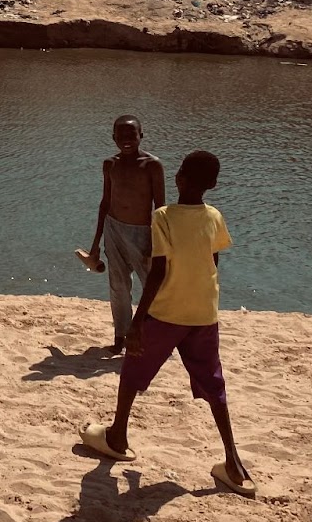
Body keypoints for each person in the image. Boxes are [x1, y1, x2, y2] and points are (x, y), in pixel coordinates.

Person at [81, 150, 255, 497]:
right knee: (214, 383)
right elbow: (212, 262)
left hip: (167, 313)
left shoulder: (163, 217)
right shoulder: (214, 216)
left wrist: (137, 321)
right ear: (214, 185)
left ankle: (117, 436)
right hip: (205, 313)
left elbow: (158, 272)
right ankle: (233, 463)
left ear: (179, 179)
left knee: (132, 369)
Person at [83, 116, 165, 353]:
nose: (126, 141)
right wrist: (96, 242)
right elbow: (105, 202)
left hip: (144, 232)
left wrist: (156, 240)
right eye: (121, 136)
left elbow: (160, 207)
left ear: (142, 135)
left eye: (132, 135)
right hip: (114, 228)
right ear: (113, 138)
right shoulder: (110, 164)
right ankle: (121, 337)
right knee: (118, 286)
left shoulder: (152, 165)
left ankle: (152, 336)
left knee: (152, 287)